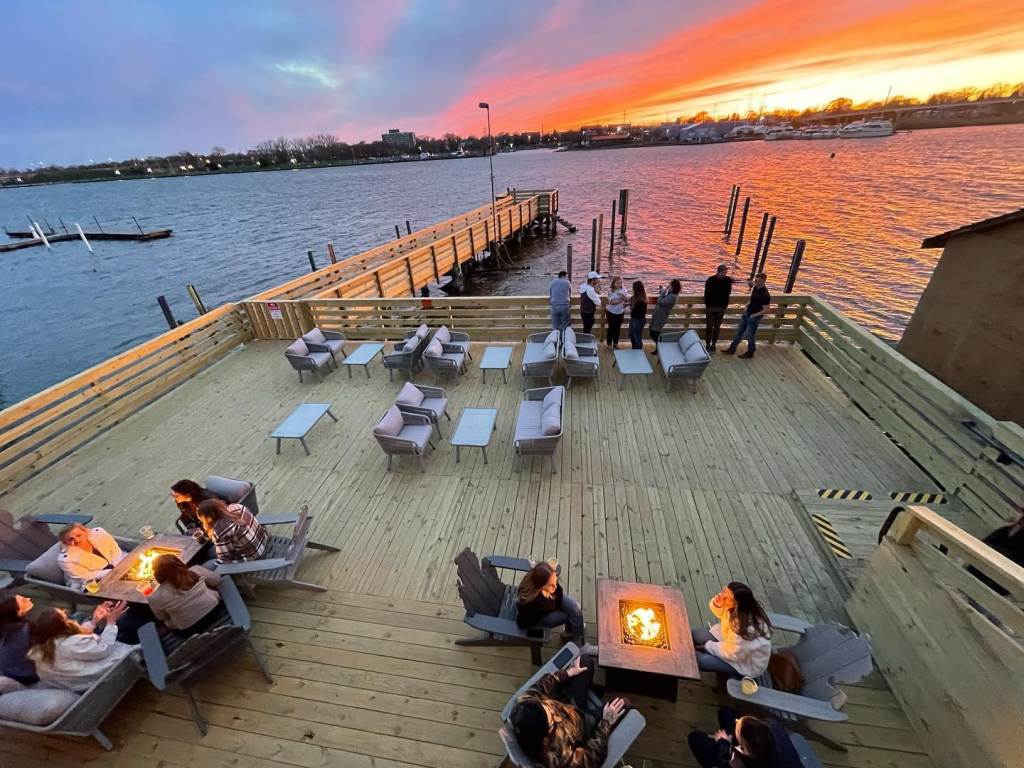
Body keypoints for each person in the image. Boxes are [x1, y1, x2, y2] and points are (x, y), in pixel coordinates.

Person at [509, 652, 628, 768]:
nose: (552, 711)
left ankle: (588, 691)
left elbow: (540, 686)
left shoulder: (524, 706)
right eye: (551, 717)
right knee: (624, 704)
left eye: (546, 707)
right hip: (587, 726)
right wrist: (605, 723)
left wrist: (567, 673)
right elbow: (591, 758)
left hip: (569, 705)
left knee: (584, 661)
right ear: (546, 734)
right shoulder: (559, 757)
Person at [27, 603, 136, 692]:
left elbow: (77, 638)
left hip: (75, 683)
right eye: (65, 618)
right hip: (97, 676)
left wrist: (95, 621)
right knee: (128, 624)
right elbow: (103, 650)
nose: (68, 619)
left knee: (119, 627)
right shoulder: (69, 644)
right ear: (63, 625)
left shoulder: (40, 649)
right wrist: (111, 622)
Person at [691, 582, 772, 677]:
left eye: (726, 598)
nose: (722, 596)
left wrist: (707, 646)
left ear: (736, 604)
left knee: (698, 660)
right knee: (694, 635)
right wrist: (718, 604)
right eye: (724, 591)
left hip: (743, 663)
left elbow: (732, 653)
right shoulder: (737, 607)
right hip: (729, 640)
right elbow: (723, 615)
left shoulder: (745, 629)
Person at [688, 707, 800, 768]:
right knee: (725, 713)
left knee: (696, 739)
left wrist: (723, 745)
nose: (737, 721)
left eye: (738, 727)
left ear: (744, 750)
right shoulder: (772, 725)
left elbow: (729, 761)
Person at [148, 554, 224, 635]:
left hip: (188, 630)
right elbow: (216, 579)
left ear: (157, 574)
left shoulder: (154, 597)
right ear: (178, 563)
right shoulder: (195, 570)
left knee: (167, 622)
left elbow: (162, 617)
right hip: (215, 611)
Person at [515, 561, 585, 643]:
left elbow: (559, 593)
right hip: (540, 617)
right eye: (551, 585)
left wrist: (555, 604)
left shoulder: (549, 578)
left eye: (555, 581)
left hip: (551, 604)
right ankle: (575, 638)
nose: (555, 586)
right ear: (540, 586)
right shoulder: (531, 604)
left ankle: (572, 635)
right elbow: (522, 624)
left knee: (575, 607)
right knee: (567, 615)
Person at [968, 507, 1024, 596]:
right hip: (983, 568)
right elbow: (987, 541)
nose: (1019, 515)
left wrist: (989, 548)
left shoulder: (1017, 533)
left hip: (1004, 577)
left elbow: (1016, 558)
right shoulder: (1010, 529)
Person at [196, 498, 269, 564]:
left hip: (255, 558)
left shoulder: (220, 530)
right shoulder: (235, 506)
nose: (203, 523)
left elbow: (224, 558)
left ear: (209, 518)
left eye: (203, 521)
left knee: (210, 554)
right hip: (264, 540)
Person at [57, 523, 125, 591]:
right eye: (71, 539)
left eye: (79, 535)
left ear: (85, 531)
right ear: (65, 542)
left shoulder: (100, 534)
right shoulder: (65, 560)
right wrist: (112, 572)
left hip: (115, 566)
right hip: (90, 581)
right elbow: (85, 576)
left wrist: (117, 567)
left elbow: (114, 550)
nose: (77, 540)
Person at [723, 273, 770, 359]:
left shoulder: (765, 294)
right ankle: (732, 348)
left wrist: (754, 316)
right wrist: (746, 305)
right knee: (739, 332)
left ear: (764, 281)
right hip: (747, 313)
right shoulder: (755, 288)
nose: (756, 282)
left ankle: (750, 352)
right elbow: (752, 299)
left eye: (758, 281)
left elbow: (766, 310)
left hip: (754, 318)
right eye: (755, 280)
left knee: (750, 335)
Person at [0, 595, 38, 685]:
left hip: (7, 671)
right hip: (27, 675)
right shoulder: (27, 629)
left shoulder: (3, 626)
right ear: (20, 612)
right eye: (24, 601)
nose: (29, 598)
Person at [704, 264, 734, 353]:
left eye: (725, 272)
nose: (724, 274)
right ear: (718, 272)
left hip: (721, 308)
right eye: (723, 272)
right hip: (711, 307)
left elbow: (728, 292)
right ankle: (707, 344)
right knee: (709, 327)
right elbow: (706, 293)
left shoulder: (728, 280)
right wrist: (708, 305)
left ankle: (713, 344)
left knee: (717, 327)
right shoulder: (711, 279)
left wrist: (724, 306)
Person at [649, 278, 682, 354]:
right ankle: (659, 348)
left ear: (674, 287)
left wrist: (663, 292)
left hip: (660, 317)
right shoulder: (671, 294)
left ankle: (660, 347)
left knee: (653, 333)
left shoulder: (673, 297)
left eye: (670, 285)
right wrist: (662, 290)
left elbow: (660, 302)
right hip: (658, 316)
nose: (668, 286)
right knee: (653, 332)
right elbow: (664, 298)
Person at [604, 276, 627, 348]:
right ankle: (609, 344)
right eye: (618, 283)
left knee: (617, 328)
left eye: (621, 282)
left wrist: (622, 296)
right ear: (614, 283)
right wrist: (620, 301)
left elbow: (626, 300)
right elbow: (611, 302)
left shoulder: (624, 290)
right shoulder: (610, 290)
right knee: (611, 328)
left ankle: (616, 343)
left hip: (620, 312)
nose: (620, 284)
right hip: (610, 312)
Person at [628, 280, 648, 350]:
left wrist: (630, 307)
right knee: (631, 335)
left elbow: (635, 311)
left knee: (637, 337)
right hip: (634, 319)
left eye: (633, 288)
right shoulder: (635, 297)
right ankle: (634, 348)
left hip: (639, 320)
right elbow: (631, 303)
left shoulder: (641, 301)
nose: (632, 289)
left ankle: (638, 351)